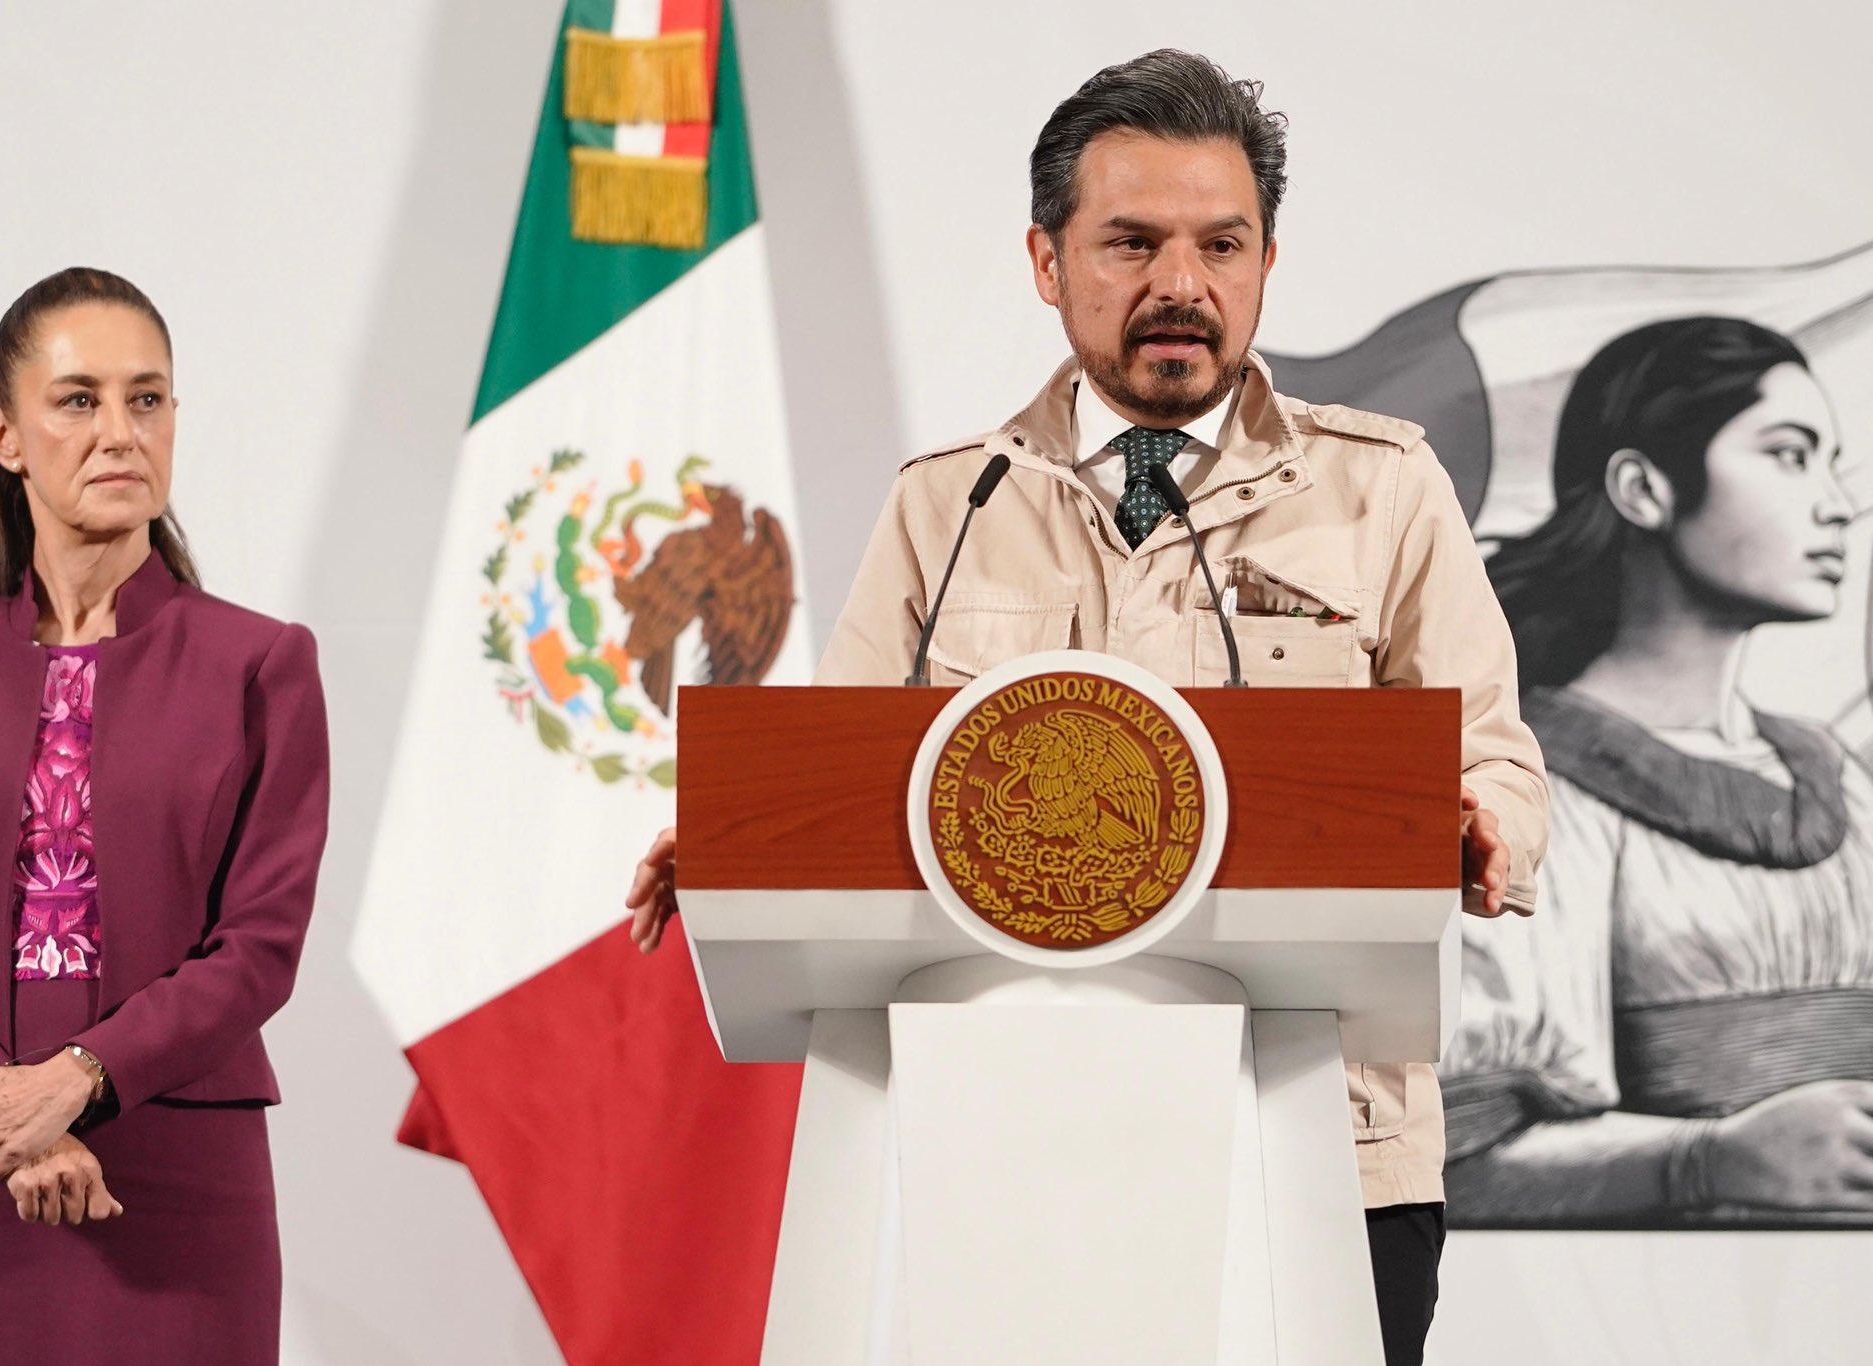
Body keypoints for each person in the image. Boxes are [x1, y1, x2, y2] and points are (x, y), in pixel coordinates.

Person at [627, 50, 1547, 1363]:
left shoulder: (1381, 487)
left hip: (1323, 1143)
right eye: (1131, 242)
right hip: (1002, 1145)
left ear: (1266, 262)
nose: (1182, 284)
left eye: (1221, 244)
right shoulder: (951, 503)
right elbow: (838, 780)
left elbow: (1496, 757)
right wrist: (735, 843)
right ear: (1047, 262)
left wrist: (1482, 824)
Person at [0, 267, 330, 1365]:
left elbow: (260, 947)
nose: (119, 432)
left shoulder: (261, 664)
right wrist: (3, 1123)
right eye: (78, 400)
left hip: (175, 1181)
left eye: (146, 399)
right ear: (3, 435)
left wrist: (74, 1084)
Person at [1441, 316, 1873, 1226]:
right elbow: (1461, 1151)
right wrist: (1708, 1159)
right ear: (1643, 489)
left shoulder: (1842, 779)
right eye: (1789, 456)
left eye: (1830, 464)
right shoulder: (1527, 786)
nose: (1837, 505)